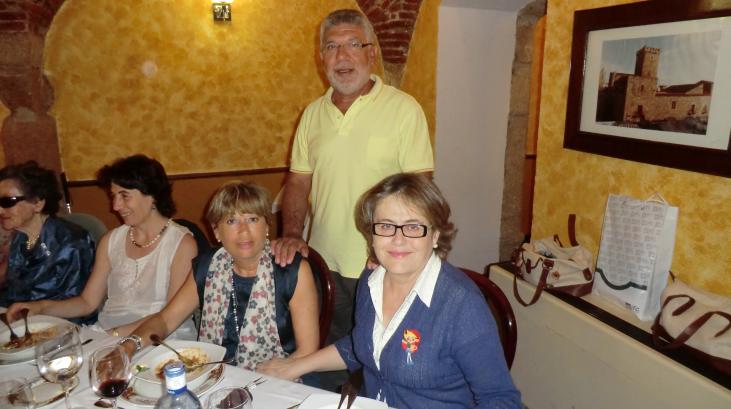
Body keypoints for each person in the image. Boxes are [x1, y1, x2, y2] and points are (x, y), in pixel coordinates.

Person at [259, 173, 522, 408]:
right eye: (385, 226)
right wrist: (294, 366)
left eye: (413, 226)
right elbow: (361, 343)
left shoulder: (462, 306)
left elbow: (500, 399)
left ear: (435, 235)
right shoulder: (370, 280)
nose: (398, 239)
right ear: (371, 234)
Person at [272, 8, 434, 347]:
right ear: (321, 58)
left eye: (353, 44)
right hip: (321, 262)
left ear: (371, 54)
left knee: (380, 353)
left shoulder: (404, 109)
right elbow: (298, 182)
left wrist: (392, 246)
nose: (342, 56)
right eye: (332, 47)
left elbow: (419, 190)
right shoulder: (312, 114)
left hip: (381, 263)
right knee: (327, 351)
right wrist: (291, 234)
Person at [118, 181, 319, 371]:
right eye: (231, 221)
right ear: (216, 232)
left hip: (280, 377)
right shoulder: (209, 266)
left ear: (267, 226)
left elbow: (307, 351)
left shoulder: (291, 271)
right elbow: (166, 320)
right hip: (217, 373)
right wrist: (128, 346)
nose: (244, 230)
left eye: (252, 219)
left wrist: (273, 375)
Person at [8, 155, 197, 338]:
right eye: (114, 196)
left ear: (152, 195)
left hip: (162, 339)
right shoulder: (111, 240)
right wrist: (41, 307)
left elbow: (169, 316)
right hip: (108, 334)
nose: (115, 206)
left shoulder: (182, 244)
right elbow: (87, 302)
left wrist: (110, 336)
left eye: (124, 196)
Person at [0, 162, 96, 324]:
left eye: (8, 202)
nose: (0, 210)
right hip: (19, 322)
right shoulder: (18, 237)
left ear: (38, 203)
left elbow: (78, 308)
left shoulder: (71, 242)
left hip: (60, 327)